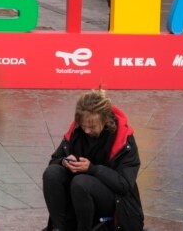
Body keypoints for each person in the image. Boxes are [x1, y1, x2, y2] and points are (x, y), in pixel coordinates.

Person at [42, 89, 143, 231]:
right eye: (84, 126)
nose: (87, 131)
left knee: (81, 182)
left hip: (115, 199)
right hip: (79, 195)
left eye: (92, 126)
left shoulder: (124, 139)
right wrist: (64, 161)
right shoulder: (76, 131)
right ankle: (59, 228)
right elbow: (54, 160)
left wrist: (93, 169)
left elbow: (124, 185)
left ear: (106, 120)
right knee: (52, 173)